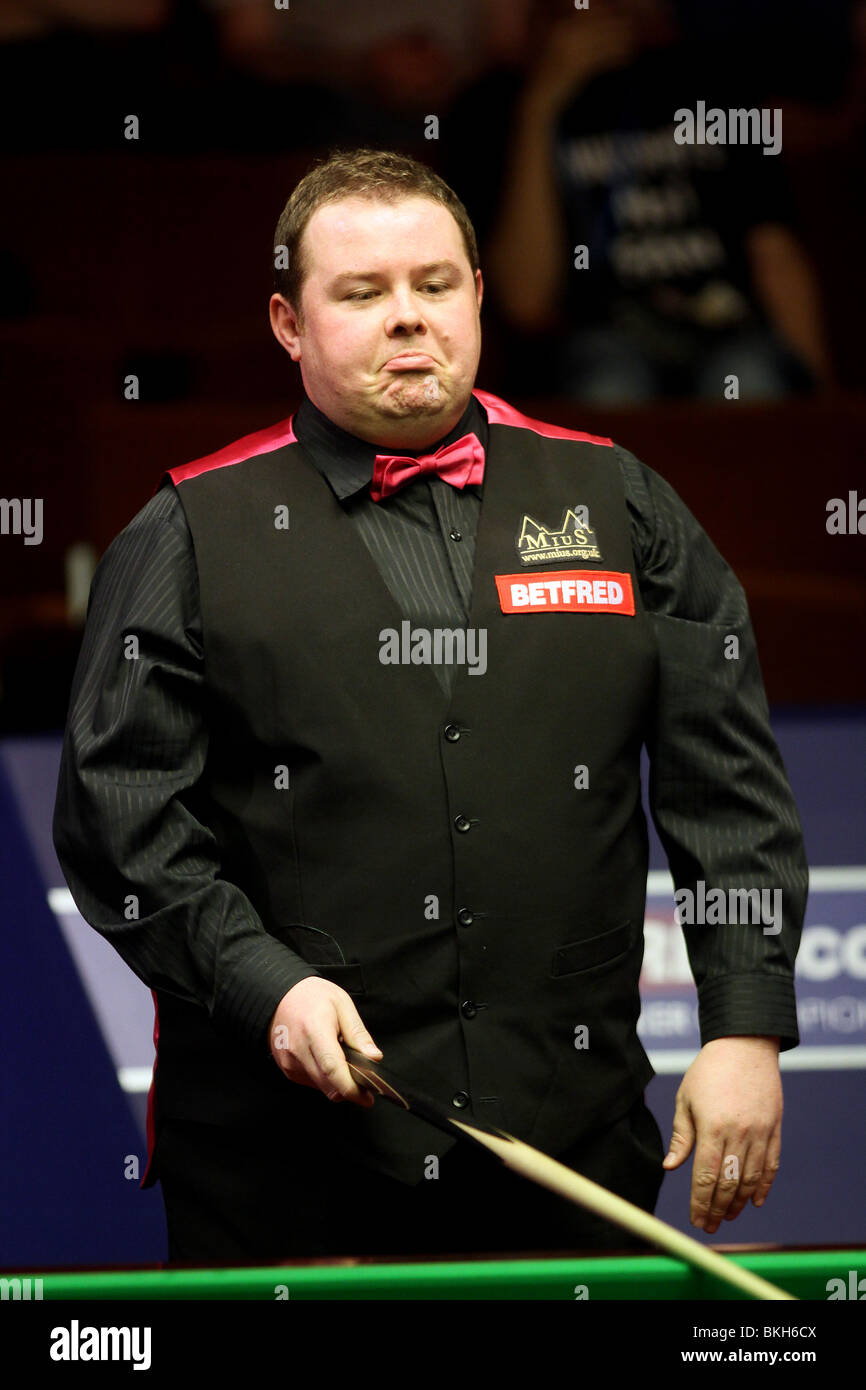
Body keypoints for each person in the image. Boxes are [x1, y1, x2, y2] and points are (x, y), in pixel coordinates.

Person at [53, 147, 807, 1264]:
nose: (407, 318)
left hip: (569, 1150)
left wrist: (743, 1025)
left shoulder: (619, 503)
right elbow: (120, 822)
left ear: (478, 296)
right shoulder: (188, 534)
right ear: (287, 323)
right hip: (284, 1173)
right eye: (361, 293)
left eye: (434, 284)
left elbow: (727, 790)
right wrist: (265, 984)